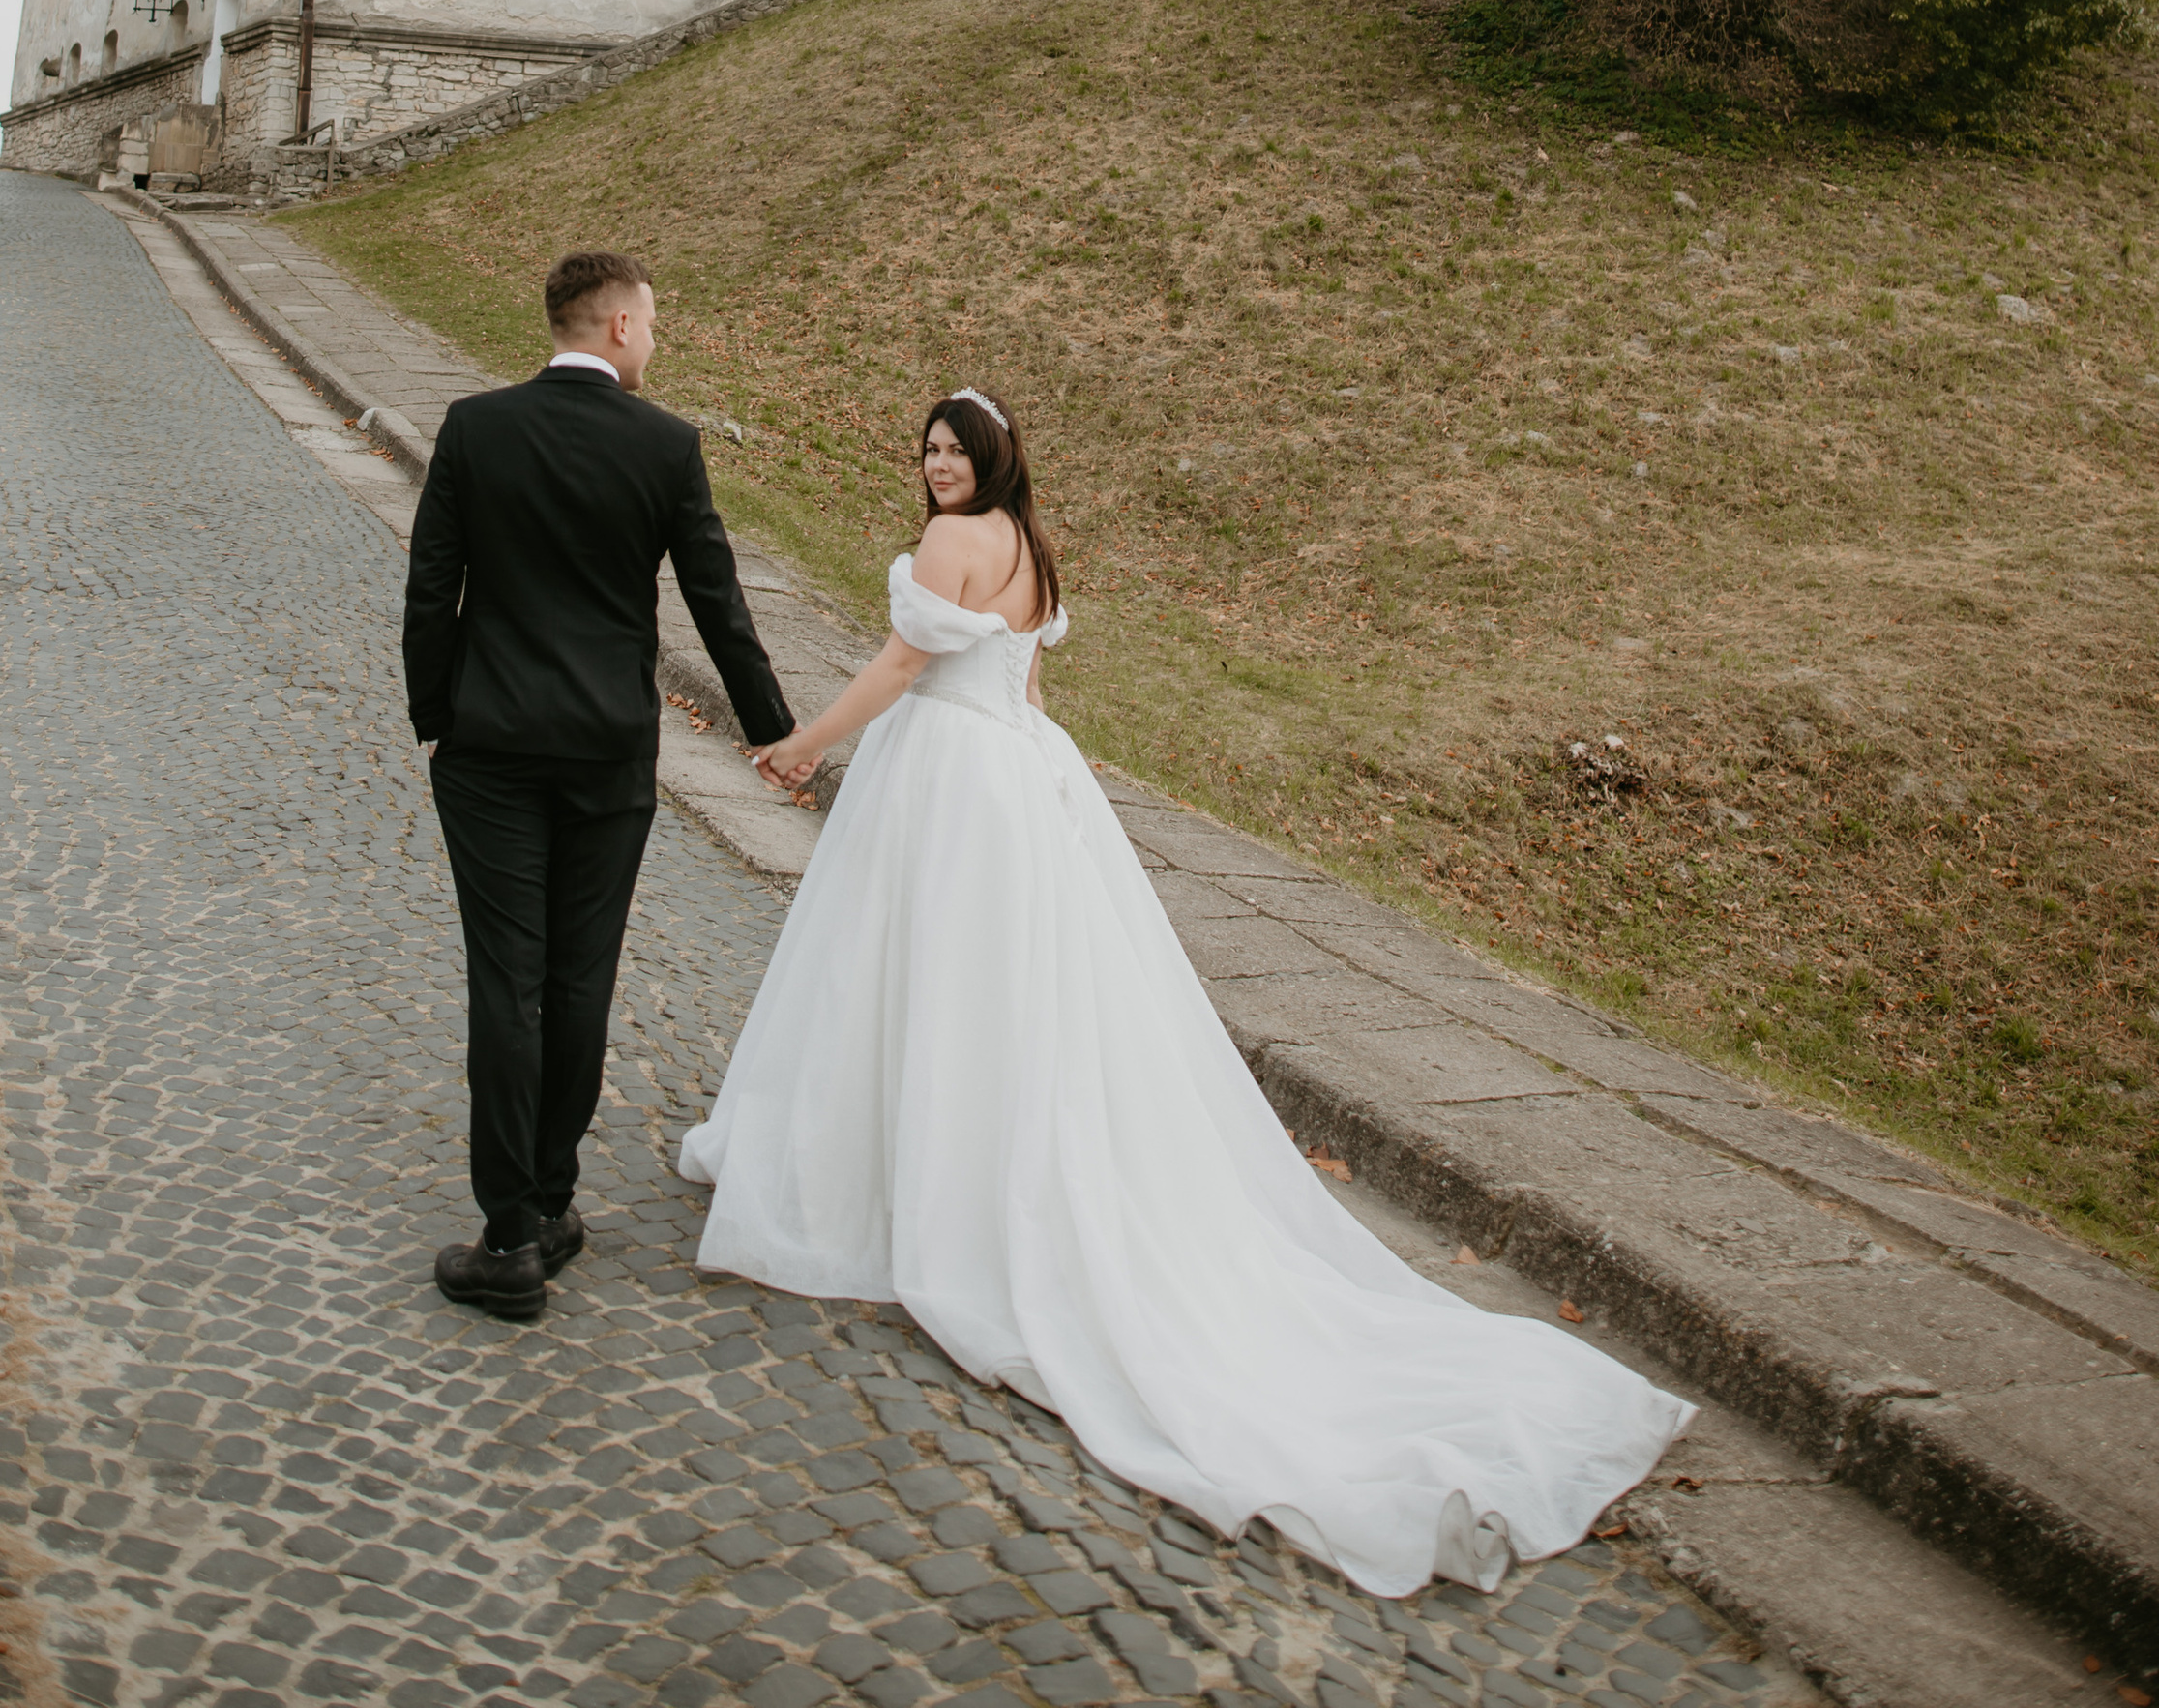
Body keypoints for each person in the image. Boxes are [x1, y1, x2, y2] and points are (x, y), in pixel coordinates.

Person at [679, 390, 1692, 1599]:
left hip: (946, 781)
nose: (939, 465)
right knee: (980, 997)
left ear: (993, 457)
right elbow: (1026, 693)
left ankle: (900, 1181)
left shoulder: (955, 541)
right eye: (930, 451)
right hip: (1011, 776)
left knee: (906, 977)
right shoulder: (1032, 551)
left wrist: (804, 745)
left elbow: (905, 662)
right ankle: (937, 1158)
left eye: (957, 449)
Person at [404, 248, 793, 1323]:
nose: (655, 340)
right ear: (618, 327)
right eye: (653, 323)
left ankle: (509, 1234)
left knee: (505, 981)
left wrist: (438, 716)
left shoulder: (476, 427)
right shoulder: (665, 444)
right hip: (610, 753)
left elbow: (432, 583)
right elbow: (716, 595)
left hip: (488, 750)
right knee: (580, 978)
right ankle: (554, 1200)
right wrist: (772, 731)